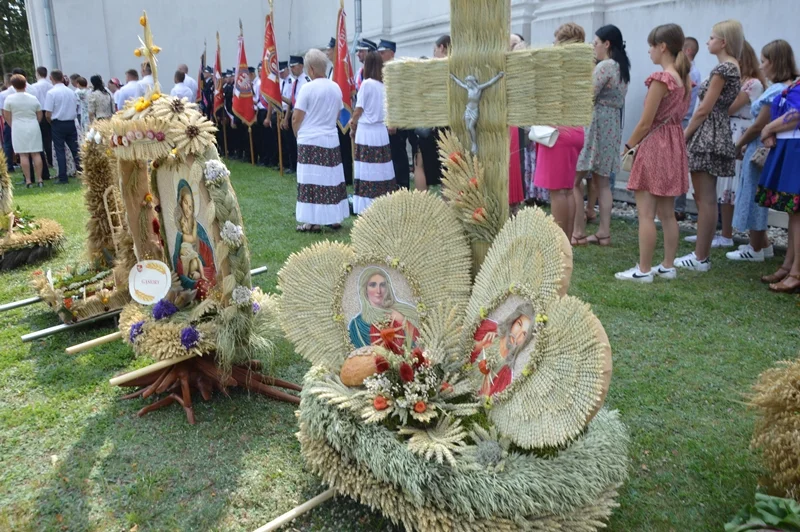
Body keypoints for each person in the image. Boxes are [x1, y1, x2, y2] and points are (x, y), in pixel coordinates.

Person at [615, 24, 691, 283]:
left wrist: (628, 147)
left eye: (651, 46)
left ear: (663, 47)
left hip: (656, 144)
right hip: (673, 144)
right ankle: (667, 265)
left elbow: (646, 123)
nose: (648, 51)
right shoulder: (683, 79)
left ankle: (643, 269)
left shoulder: (662, 79)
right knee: (667, 213)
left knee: (646, 213)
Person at [677, 20, 743, 272]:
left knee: (705, 198)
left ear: (723, 41)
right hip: (715, 130)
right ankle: (701, 254)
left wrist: (685, 135)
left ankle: (700, 256)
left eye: (712, 37)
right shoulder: (731, 66)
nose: (708, 41)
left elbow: (704, 108)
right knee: (706, 197)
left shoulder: (724, 68)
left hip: (708, 132)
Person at [728, 40, 799, 264]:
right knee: (756, 194)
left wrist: (738, 144)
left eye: (764, 61)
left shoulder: (779, 90)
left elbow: (760, 124)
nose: (762, 65)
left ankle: (756, 245)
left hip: (763, 147)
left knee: (755, 196)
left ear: (775, 62)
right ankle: (763, 245)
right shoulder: (782, 88)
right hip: (763, 145)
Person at [572, 24, 630, 247]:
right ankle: (603, 232)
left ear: (607, 44)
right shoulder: (621, 67)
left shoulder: (605, 66)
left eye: (595, 43)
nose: (593, 47)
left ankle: (577, 232)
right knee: (602, 183)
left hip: (596, 123)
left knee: (575, 180)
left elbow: (588, 94)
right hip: (612, 124)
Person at [533, 23, 587, 240]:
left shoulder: (558, 68)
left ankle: (559, 240)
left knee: (558, 191)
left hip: (557, 132)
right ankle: (567, 238)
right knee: (567, 188)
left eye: (556, 40)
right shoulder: (581, 68)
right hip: (575, 131)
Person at [710, 40, 765, 248]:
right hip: (732, 131)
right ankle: (726, 233)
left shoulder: (752, 84)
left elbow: (729, 107)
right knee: (726, 186)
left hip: (739, 133)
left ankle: (736, 236)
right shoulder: (744, 81)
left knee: (734, 185)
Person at [292, 49, 349, 232]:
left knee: (311, 181)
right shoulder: (335, 87)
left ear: (310, 69)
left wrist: (297, 134)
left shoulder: (307, 88)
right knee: (331, 179)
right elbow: (339, 113)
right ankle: (334, 218)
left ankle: (312, 221)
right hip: (330, 137)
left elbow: (296, 117)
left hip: (310, 138)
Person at [756, 75, 800, 293]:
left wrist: (768, 128)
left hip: (796, 148)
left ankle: (796, 272)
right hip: (789, 145)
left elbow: (797, 113)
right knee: (794, 212)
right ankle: (789, 266)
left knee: (797, 212)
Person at [350, 51, 394, 214]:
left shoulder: (367, 84)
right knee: (380, 169)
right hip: (380, 131)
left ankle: (366, 206)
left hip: (367, 131)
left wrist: (353, 125)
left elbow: (358, 109)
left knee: (367, 169)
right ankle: (382, 203)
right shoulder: (383, 86)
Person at [348, 266, 420, 351]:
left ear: (388, 288)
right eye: (373, 285)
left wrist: (401, 319)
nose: (378, 291)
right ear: (365, 289)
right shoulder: (357, 325)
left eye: (382, 285)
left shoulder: (403, 312)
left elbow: (419, 342)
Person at [472, 302, 535, 396]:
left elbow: (489, 399)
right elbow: (464, 348)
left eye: (524, 334)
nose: (517, 335)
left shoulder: (507, 373)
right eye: (519, 324)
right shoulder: (490, 330)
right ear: (513, 320)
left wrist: (486, 391)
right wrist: (480, 345)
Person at [412, 36, 450, 192]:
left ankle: (423, 204)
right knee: (448, 165)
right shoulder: (457, 66)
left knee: (419, 163)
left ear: (441, 47)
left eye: (435, 49)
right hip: (448, 124)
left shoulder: (432, 68)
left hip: (429, 122)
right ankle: (447, 206)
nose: (434, 53)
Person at [675, 36, 703, 220]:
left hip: (682, 121)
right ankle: (677, 206)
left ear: (687, 51)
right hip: (683, 120)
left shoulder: (689, 73)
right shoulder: (694, 72)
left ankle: (677, 207)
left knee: (678, 166)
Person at [2, 74, 44, 188]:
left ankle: (29, 180)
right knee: (36, 153)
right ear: (25, 84)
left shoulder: (9, 99)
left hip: (18, 126)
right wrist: (36, 122)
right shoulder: (32, 98)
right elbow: (39, 114)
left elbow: (6, 115)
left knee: (23, 154)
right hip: (33, 125)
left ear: (13, 86)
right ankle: (40, 179)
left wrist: (12, 124)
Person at [173, 180, 216, 291]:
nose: (188, 208)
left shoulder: (199, 228)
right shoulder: (180, 233)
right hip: (188, 274)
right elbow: (176, 260)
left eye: (190, 204)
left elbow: (209, 256)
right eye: (185, 203)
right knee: (202, 288)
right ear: (180, 202)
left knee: (210, 284)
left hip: (202, 269)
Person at [44, 69, 80, 185]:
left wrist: (51, 122)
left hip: (58, 122)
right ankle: (82, 172)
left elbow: (48, 113)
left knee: (60, 150)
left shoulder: (51, 93)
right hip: (70, 122)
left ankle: (63, 176)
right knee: (75, 149)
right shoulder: (71, 92)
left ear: (51, 78)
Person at [282, 56, 310, 173]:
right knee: (292, 143)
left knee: (301, 143)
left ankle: (302, 165)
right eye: (291, 67)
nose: (292, 69)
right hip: (294, 113)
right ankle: (294, 166)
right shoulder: (296, 82)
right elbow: (291, 102)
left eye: (294, 66)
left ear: (301, 66)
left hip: (303, 116)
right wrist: (285, 118)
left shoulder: (306, 81)